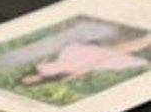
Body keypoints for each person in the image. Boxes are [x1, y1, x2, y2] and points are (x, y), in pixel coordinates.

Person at [21, 32, 151, 86]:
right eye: (30, 82)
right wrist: (95, 63)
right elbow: (78, 73)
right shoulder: (55, 79)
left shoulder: (40, 67)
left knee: (115, 49)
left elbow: (49, 58)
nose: (31, 79)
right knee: (115, 53)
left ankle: (145, 40)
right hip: (83, 63)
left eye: (28, 78)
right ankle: (146, 41)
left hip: (73, 56)